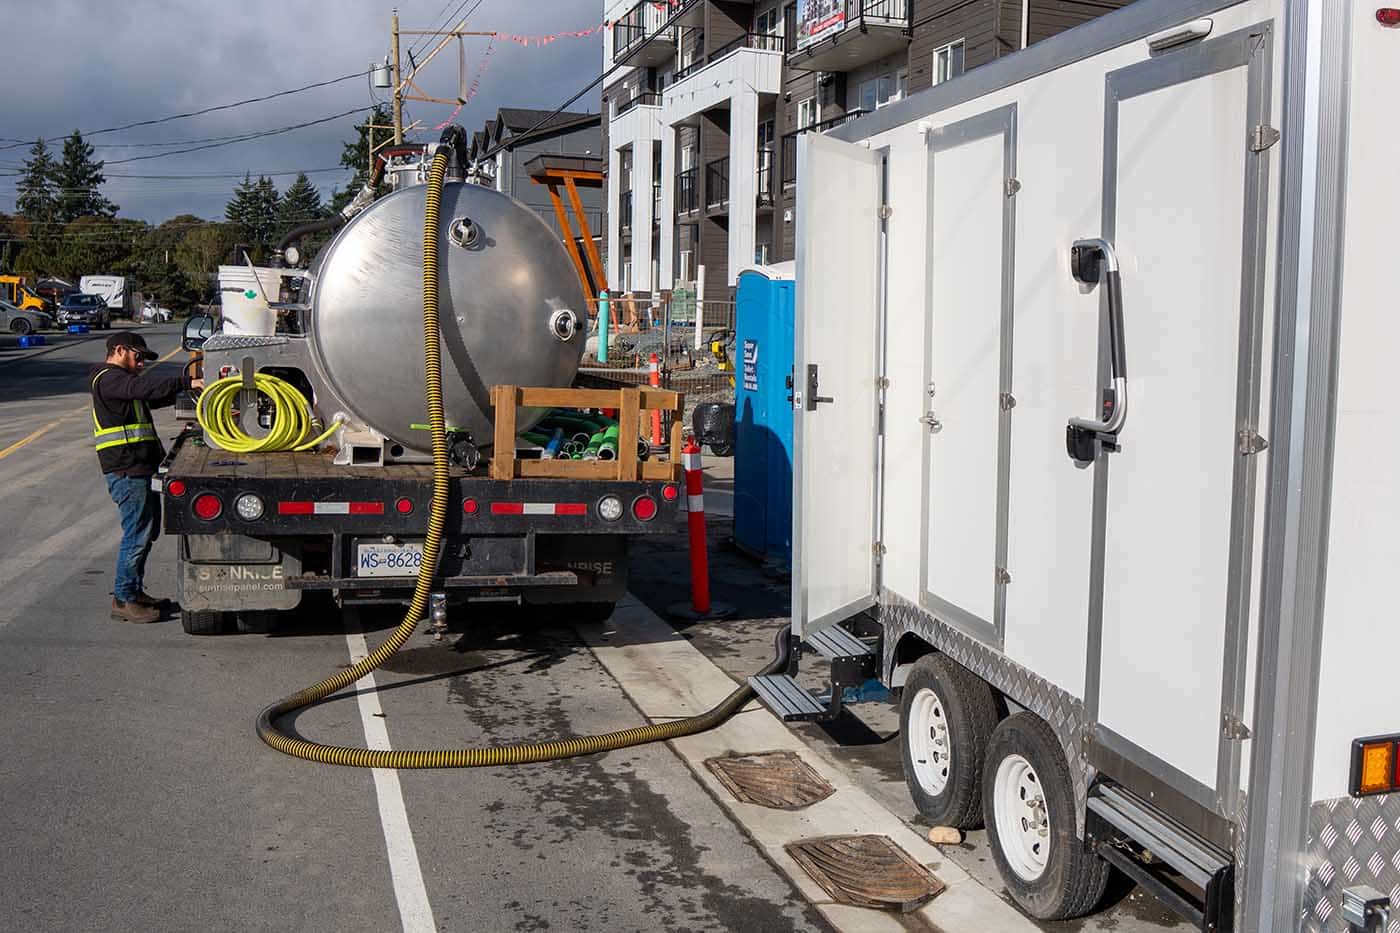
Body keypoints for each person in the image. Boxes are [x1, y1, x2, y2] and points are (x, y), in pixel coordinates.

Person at [91, 332, 202, 623]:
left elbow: (150, 397)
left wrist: (192, 391)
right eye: (137, 356)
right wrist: (186, 381)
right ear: (118, 350)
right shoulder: (109, 378)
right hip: (127, 470)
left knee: (146, 532)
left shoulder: (122, 386)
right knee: (137, 535)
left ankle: (133, 592)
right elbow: (145, 388)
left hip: (139, 467)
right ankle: (124, 599)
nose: (141, 363)